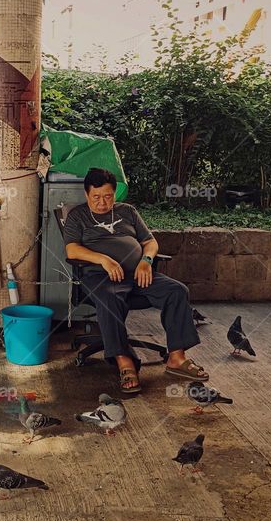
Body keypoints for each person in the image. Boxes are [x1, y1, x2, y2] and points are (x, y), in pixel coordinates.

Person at [63, 168, 208, 395]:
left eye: (108, 196)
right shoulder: (77, 216)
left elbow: (150, 242)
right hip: (101, 277)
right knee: (109, 297)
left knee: (177, 291)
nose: (102, 203)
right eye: (96, 197)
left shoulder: (128, 211)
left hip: (138, 274)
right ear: (86, 195)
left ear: (115, 193)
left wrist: (146, 261)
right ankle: (125, 362)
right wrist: (104, 260)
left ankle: (177, 358)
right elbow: (71, 250)